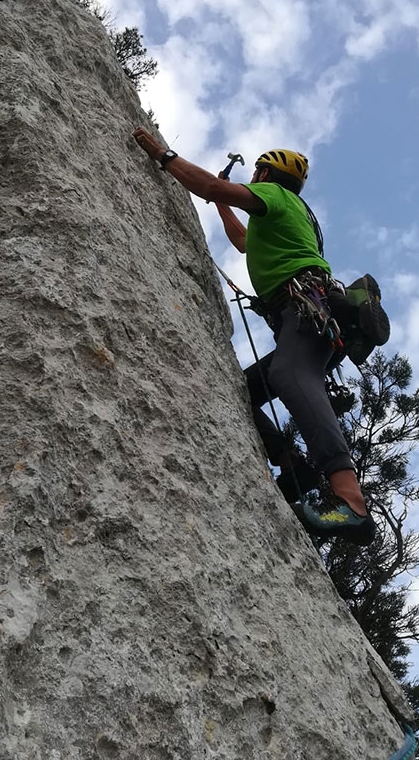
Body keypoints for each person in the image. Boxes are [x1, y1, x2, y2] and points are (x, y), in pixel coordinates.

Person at [132, 126, 376, 546]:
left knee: (287, 375)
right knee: (244, 390)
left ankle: (352, 501)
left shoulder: (278, 198)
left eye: (256, 177)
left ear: (263, 176)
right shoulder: (289, 215)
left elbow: (207, 184)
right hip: (310, 316)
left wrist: (164, 155)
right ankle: (290, 461)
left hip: (305, 309)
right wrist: (223, 205)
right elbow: (244, 243)